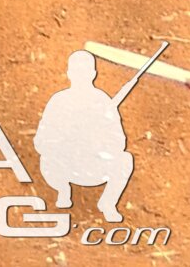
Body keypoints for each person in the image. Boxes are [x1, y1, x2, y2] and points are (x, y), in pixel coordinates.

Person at [34, 52, 134, 222]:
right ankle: (63, 191)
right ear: (69, 74)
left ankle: (108, 203)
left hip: (94, 166)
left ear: (93, 74)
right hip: (64, 166)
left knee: (125, 159)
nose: (81, 76)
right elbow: (41, 140)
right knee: (47, 159)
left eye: (85, 71)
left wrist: (97, 141)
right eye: (77, 71)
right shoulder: (58, 101)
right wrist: (64, 139)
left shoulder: (103, 102)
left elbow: (119, 141)